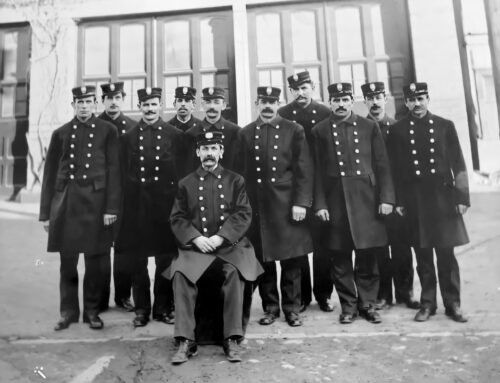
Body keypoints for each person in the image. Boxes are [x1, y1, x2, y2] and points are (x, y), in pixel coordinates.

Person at [167, 131, 263, 364]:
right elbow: (177, 218)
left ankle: (231, 338)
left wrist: (221, 237)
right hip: (197, 247)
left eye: (214, 148)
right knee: (180, 274)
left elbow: (243, 214)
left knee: (234, 273)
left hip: (229, 246)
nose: (209, 153)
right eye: (205, 149)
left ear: (221, 151)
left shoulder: (235, 180)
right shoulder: (186, 183)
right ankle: (185, 340)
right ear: (197, 152)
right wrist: (196, 238)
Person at [39, 85, 121, 331]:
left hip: (96, 207)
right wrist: (46, 214)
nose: (84, 107)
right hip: (67, 207)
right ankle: (68, 312)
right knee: (68, 263)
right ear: (73, 105)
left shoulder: (108, 131)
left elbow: (114, 171)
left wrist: (111, 209)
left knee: (95, 262)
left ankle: (92, 312)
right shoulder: (61, 133)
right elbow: (50, 175)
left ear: (95, 104)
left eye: (88, 102)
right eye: (79, 103)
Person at [312, 82, 395, 324]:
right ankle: (348, 306)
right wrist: (320, 204)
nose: (340, 104)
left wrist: (387, 198)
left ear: (352, 101)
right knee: (340, 258)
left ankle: (368, 304)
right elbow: (316, 171)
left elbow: (382, 165)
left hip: (367, 201)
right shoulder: (320, 130)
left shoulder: (369, 126)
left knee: (367, 255)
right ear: (330, 103)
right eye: (335, 100)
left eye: (345, 99)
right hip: (336, 201)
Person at [388, 82, 469, 323]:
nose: (417, 103)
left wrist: (462, 197)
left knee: (446, 256)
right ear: (406, 102)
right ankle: (427, 304)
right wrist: (399, 201)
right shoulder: (399, 130)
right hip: (415, 202)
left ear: (428, 98)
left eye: (421, 98)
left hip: (443, 200)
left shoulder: (445, 126)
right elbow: (395, 170)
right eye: (412, 99)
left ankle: (453, 304)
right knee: (422, 256)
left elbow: (459, 165)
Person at [241, 86, 313, 327]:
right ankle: (270, 307)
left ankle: (292, 309)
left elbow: (304, 170)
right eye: (263, 101)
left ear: (279, 102)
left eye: (272, 101)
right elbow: (241, 175)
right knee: (264, 260)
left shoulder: (294, 130)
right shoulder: (246, 133)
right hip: (259, 207)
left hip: (287, 206)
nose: (268, 105)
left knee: (291, 260)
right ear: (256, 103)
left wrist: (301, 203)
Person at [116, 87, 185, 327]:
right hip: (138, 210)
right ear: (139, 107)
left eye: (154, 104)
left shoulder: (175, 135)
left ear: (160, 105)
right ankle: (142, 310)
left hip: (165, 209)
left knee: (166, 261)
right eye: (145, 105)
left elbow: (182, 175)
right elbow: (122, 176)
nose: (150, 109)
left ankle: (163, 308)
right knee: (139, 262)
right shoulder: (128, 137)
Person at [361, 82, 419, 311]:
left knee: (402, 248)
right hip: (371, 200)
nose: (375, 102)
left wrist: (399, 201)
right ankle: (383, 294)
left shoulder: (397, 128)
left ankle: (406, 293)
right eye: (370, 97)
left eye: (378, 97)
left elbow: (403, 170)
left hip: (397, 201)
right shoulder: (361, 129)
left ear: (385, 99)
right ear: (364, 101)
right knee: (379, 250)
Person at [278, 71, 333, 312]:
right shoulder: (284, 114)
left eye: (305, 87)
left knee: (323, 245)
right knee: (298, 244)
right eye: (296, 88)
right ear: (291, 90)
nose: (301, 93)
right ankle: (301, 296)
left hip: (321, 186)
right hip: (295, 189)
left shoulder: (325, 114)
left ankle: (323, 294)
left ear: (313, 86)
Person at [97, 81, 136, 313]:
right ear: (103, 100)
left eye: (117, 97)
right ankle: (100, 299)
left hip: (125, 198)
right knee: (100, 250)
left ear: (123, 99)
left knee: (123, 249)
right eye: (109, 98)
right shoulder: (95, 126)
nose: (113, 102)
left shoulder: (132, 127)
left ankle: (123, 295)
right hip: (99, 198)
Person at [186, 87, 243, 172]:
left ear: (223, 105)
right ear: (202, 105)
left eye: (216, 102)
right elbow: (189, 168)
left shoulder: (236, 132)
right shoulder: (191, 134)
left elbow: (240, 167)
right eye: (208, 102)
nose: (212, 106)